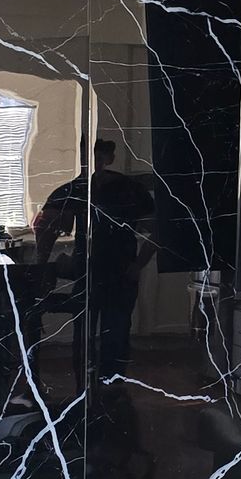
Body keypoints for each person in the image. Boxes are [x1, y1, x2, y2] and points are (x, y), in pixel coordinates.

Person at [36, 137, 156, 382]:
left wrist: (139, 264)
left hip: (120, 271)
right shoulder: (74, 189)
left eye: (98, 158)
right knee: (84, 334)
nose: (92, 163)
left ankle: (113, 387)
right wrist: (42, 264)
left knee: (117, 333)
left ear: (109, 159)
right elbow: (46, 225)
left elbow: (157, 228)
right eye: (87, 158)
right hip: (88, 271)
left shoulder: (130, 189)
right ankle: (85, 385)